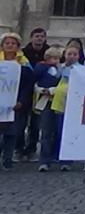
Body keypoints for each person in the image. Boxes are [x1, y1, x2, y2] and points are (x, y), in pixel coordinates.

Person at [1, 33, 35, 170]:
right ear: (2, 46)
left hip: (16, 104)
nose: (10, 46)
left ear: (18, 46)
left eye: (13, 43)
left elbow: (28, 85)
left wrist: (21, 100)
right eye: (7, 43)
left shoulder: (24, 63)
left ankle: (7, 160)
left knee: (12, 133)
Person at [34, 47, 70, 172]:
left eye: (57, 58)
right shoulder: (40, 68)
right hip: (46, 102)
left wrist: (53, 90)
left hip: (60, 101)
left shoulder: (63, 69)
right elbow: (35, 82)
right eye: (52, 58)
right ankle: (44, 160)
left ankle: (61, 158)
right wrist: (40, 89)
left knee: (60, 131)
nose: (54, 60)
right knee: (46, 132)